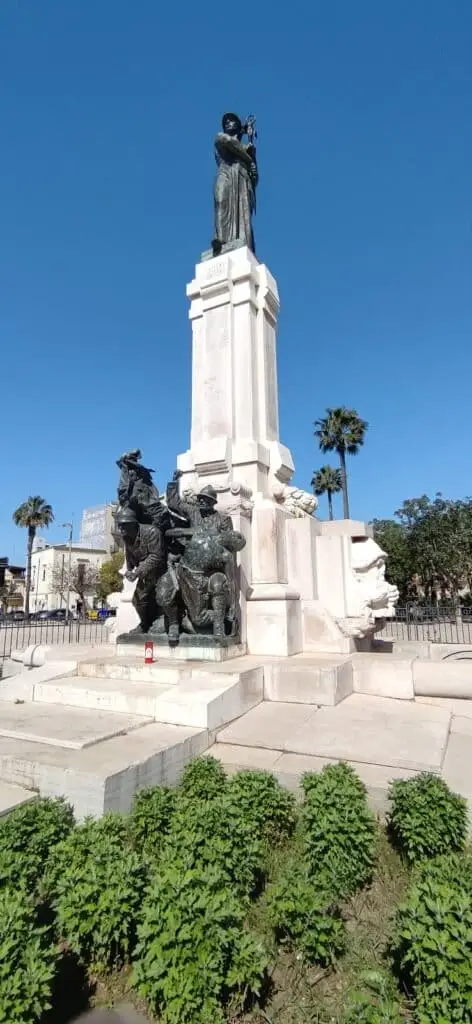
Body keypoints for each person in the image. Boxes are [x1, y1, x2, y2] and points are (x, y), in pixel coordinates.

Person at [213, 113, 258, 254]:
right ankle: (220, 240)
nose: (227, 122)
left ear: (238, 127)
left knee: (243, 215)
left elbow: (255, 177)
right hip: (225, 173)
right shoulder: (220, 137)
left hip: (241, 179)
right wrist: (249, 158)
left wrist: (253, 158)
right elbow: (229, 143)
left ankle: (241, 242)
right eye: (226, 121)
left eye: (232, 121)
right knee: (221, 201)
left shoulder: (247, 150)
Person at [116, 507, 166, 633]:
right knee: (138, 600)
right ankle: (145, 624)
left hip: (161, 571)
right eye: (120, 525)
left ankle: (168, 623)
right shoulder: (127, 537)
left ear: (133, 524)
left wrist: (137, 572)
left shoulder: (152, 532)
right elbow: (129, 555)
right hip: (146, 573)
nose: (121, 529)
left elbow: (156, 556)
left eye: (124, 526)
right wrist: (128, 570)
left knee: (164, 597)